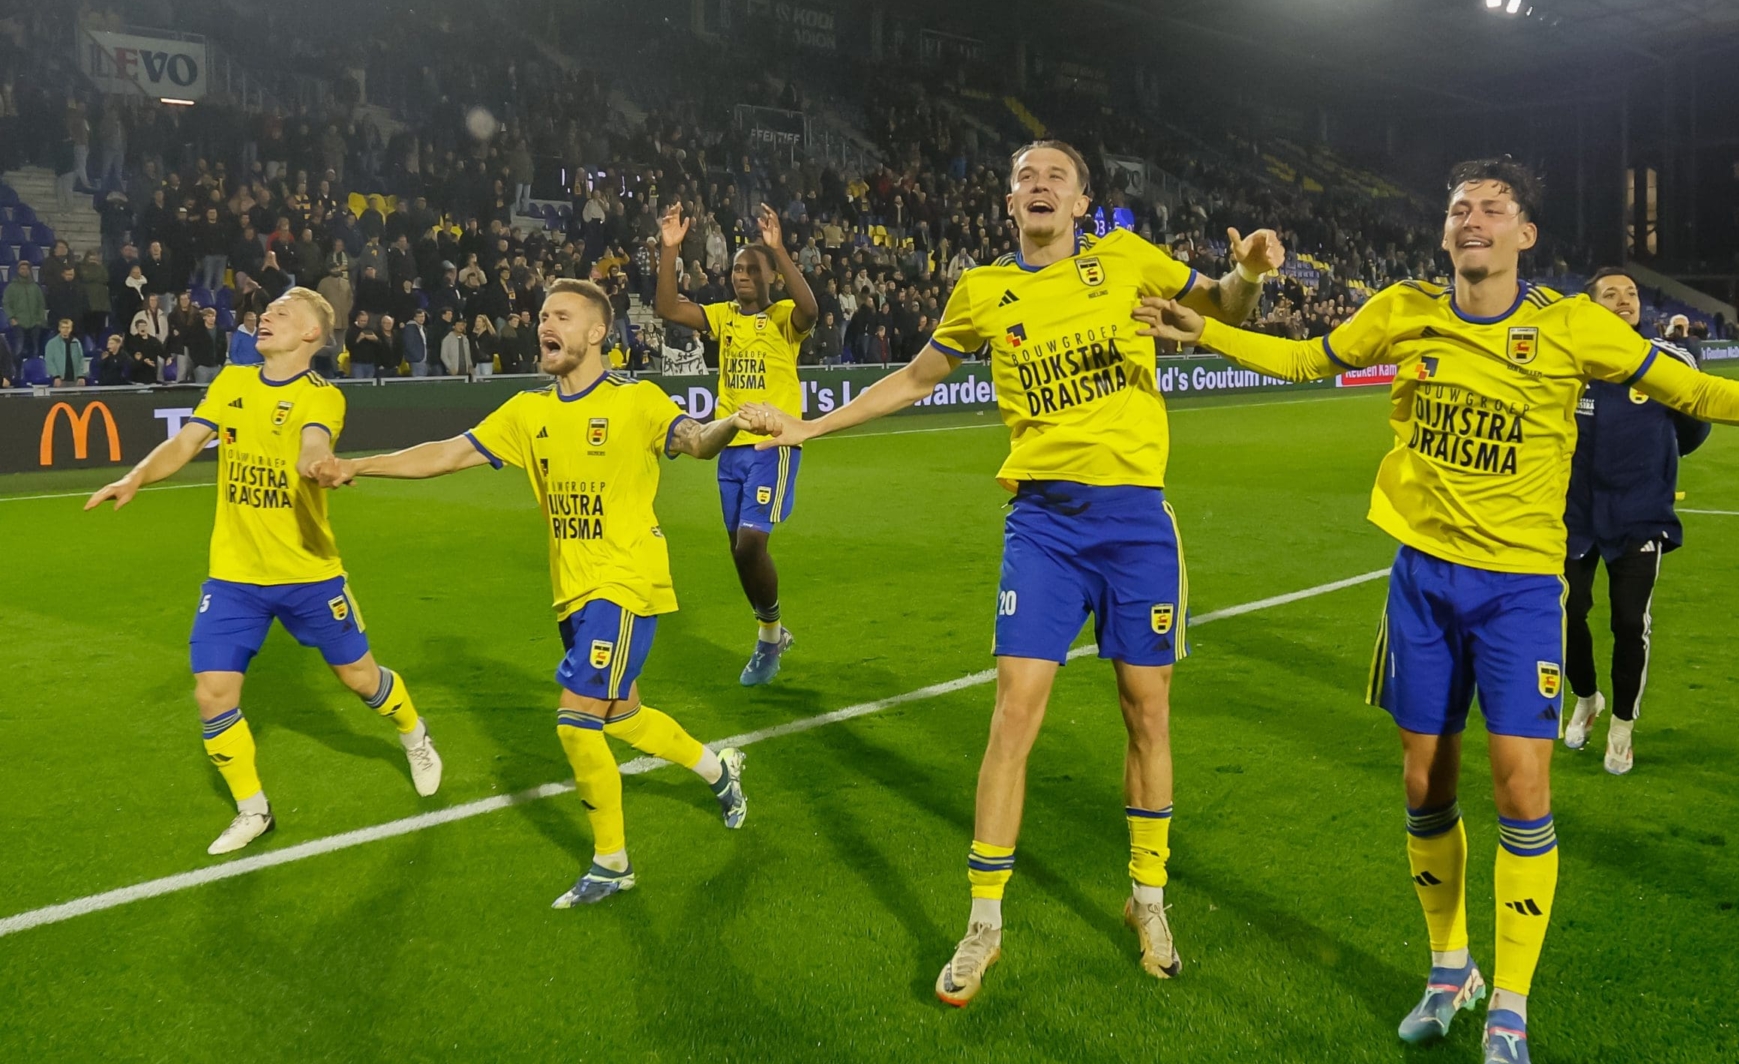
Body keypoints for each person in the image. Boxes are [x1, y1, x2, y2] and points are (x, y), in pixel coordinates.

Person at [1131, 158, 1739, 1064]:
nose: (1471, 218)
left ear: (1525, 235)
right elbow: (1307, 360)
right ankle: (1452, 972)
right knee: (1423, 782)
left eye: (1493, 208)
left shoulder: (1571, 325)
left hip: (1521, 587)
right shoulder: (1403, 310)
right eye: (1458, 208)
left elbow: (1689, 390)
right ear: (1446, 234)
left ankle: (1509, 1010)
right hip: (1422, 580)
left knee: (1522, 786)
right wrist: (1205, 327)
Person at [747, 140, 1278, 1006]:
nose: (1038, 186)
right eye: (1025, 177)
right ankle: (984, 921)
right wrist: (809, 428)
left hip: (1137, 523)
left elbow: (1223, 307)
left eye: (1055, 178)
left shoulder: (1127, 261)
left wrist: (1248, 271)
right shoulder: (981, 293)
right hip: (1041, 527)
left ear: (1082, 203)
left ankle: (1148, 898)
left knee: (1147, 715)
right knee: (1011, 714)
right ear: (1008, 202)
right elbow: (916, 379)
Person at [316, 280, 757, 908]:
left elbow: (695, 440)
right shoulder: (528, 413)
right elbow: (447, 453)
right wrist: (359, 465)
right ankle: (720, 773)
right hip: (572, 594)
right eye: (543, 315)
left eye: (561, 316)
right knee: (621, 716)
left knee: (576, 720)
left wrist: (731, 423)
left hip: (626, 581)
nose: (544, 324)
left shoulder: (637, 401)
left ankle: (613, 862)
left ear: (598, 332)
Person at [83, 287, 445, 856]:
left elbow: (313, 441)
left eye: (283, 312)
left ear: (310, 335)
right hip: (233, 576)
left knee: (360, 680)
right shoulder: (231, 381)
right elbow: (185, 442)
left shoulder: (321, 396)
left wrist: (317, 464)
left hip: (307, 572)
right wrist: (134, 478)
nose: (266, 316)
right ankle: (254, 809)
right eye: (266, 310)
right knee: (212, 694)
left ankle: (412, 731)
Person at [655, 201, 819, 685]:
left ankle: (768, 640)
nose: (741, 276)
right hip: (729, 447)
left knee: (750, 545)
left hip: (773, 444)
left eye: (752, 269)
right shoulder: (723, 317)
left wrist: (780, 250)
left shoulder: (786, 316)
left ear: (770, 276)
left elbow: (811, 309)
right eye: (737, 269)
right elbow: (667, 308)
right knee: (738, 550)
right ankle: (772, 630)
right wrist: (669, 251)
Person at [1560, 269, 1712, 775]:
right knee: (1566, 614)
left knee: (1629, 622)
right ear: (1589, 306)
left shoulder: (1667, 360)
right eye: (1610, 294)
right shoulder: (1568, 363)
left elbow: (1693, 425)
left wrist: (1655, 465)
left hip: (1638, 514)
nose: (1624, 300)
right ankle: (1586, 698)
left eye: (1631, 293)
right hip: (1573, 514)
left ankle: (1622, 727)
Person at [4, 260, 48, 358]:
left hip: (35, 322)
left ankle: (35, 369)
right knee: (18, 348)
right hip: (18, 322)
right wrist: (12, 318)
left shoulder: (35, 287)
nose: (24, 271)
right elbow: (6, 303)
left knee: (35, 349)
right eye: (22, 269)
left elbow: (41, 304)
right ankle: (17, 371)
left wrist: (39, 319)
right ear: (18, 270)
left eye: (27, 269)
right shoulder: (11, 287)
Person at [182, 306, 228, 383]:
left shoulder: (220, 331)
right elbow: (193, 349)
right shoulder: (197, 332)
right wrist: (198, 364)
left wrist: (220, 363)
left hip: (216, 366)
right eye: (209, 316)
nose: (211, 318)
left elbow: (223, 347)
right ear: (204, 318)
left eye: (213, 316)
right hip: (202, 367)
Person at [401, 308, 430, 376]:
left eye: (423, 316)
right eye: (419, 316)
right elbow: (408, 345)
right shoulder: (410, 328)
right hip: (417, 360)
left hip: (423, 360)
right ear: (414, 318)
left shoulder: (422, 328)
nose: (422, 318)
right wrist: (418, 357)